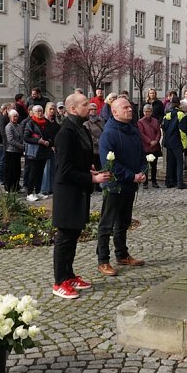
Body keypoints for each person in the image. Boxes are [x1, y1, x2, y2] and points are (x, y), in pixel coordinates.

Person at [51, 93, 110, 299]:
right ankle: (59, 281)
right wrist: (91, 179)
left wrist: (90, 171)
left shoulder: (81, 129)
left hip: (78, 190)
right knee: (65, 237)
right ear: (73, 109)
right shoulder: (65, 133)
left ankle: (69, 275)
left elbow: (80, 161)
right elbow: (64, 171)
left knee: (74, 235)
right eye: (85, 104)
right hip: (67, 193)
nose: (90, 106)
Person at [96, 98, 147, 277]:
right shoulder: (109, 134)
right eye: (125, 107)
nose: (129, 110)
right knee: (107, 224)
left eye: (130, 107)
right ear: (115, 112)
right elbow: (110, 163)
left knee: (123, 222)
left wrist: (142, 171)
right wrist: (131, 176)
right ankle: (103, 260)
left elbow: (141, 154)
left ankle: (122, 254)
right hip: (114, 186)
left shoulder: (133, 130)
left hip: (130, 185)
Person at [22, 105, 50, 202]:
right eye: (37, 111)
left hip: (44, 151)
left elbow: (50, 134)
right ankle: (30, 193)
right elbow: (26, 137)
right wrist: (38, 140)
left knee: (40, 172)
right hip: (33, 152)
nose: (40, 113)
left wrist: (49, 141)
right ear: (33, 113)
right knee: (32, 173)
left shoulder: (46, 123)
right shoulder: (30, 123)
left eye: (41, 111)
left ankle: (38, 191)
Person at [161, 96, 187, 189]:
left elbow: (163, 127)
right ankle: (180, 183)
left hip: (168, 141)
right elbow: (183, 131)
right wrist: (185, 145)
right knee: (179, 162)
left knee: (170, 162)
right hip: (177, 142)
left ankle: (169, 182)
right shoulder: (181, 114)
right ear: (178, 104)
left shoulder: (167, 114)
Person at [138, 104, 161, 188]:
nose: (147, 113)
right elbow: (141, 133)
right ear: (143, 112)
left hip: (155, 146)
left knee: (154, 166)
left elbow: (158, 131)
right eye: (146, 111)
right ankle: (145, 182)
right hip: (146, 147)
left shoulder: (155, 121)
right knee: (145, 166)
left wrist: (156, 140)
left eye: (149, 111)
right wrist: (149, 141)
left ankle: (154, 181)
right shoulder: (140, 122)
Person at [39, 102, 60, 198]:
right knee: (45, 170)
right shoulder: (42, 122)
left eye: (54, 109)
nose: (52, 111)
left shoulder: (56, 124)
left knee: (53, 169)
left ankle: (53, 188)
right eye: (50, 109)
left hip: (54, 149)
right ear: (46, 110)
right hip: (45, 149)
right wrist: (50, 144)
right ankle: (44, 189)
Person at [3, 109, 23, 192]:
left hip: (18, 151)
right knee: (11, 170)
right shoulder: (8, 126)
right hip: (11, 151)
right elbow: (10, 140)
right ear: (10, 117)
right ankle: (9, 187)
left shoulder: (18, 126)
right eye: (13, 116)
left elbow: (21, 136)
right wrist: (21, 146)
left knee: (17, 170)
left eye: (16, 116)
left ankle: (16, 185)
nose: (15, 118)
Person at [85, 103, 104, 179]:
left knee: (101, 165)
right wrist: (98, 141)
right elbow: (89, 134)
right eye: (91, 109)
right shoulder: (86, 121)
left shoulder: (101, 120)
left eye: (95, 109)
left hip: (101, 147)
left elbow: (104, 131)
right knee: (93, 166)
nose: (93, 111)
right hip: (93, 148)